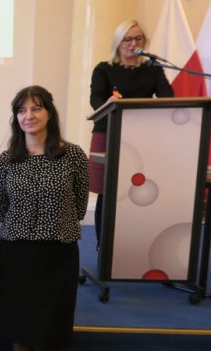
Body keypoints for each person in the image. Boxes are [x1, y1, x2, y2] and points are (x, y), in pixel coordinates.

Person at [0, 86, 89, 351]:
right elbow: (2, 208)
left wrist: (50, 225)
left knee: (47, 334)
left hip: (57, 255)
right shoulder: (6, 159)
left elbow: (79, 205)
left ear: (49, 113)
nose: (28, 116)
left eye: (36, 108)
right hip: (16, 255)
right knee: (19, 330)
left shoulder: (73, 155)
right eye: (21, 110)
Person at [89, 19, 173, 245]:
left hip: (142, 137)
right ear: (118, 42)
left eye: (138, 38)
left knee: (139, 189)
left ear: (144, 41)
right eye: (127, 39)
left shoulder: (152, 69)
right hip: (109, 134)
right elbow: (96, 100)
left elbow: (168, 98)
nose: (132, 43)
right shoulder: (104, 69)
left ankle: (135, 243)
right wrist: (109, 102)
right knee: (107, 192)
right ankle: (103, 246)